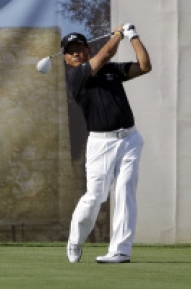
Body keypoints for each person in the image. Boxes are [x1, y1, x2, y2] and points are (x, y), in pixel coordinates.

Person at [63, 24, 151, 264]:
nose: (77, 53)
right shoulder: (76, 77)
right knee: (95, 197)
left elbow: (144, 66)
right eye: (71, 51)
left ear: (86, 48)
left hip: (130, 140)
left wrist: (134, 35)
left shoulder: (110, 70)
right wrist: (118, 35)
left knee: (125, 191)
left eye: (80, 47)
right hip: (101, 145)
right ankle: (75, 240)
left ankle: (120, 250)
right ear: (66, 59)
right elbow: (106, 53)